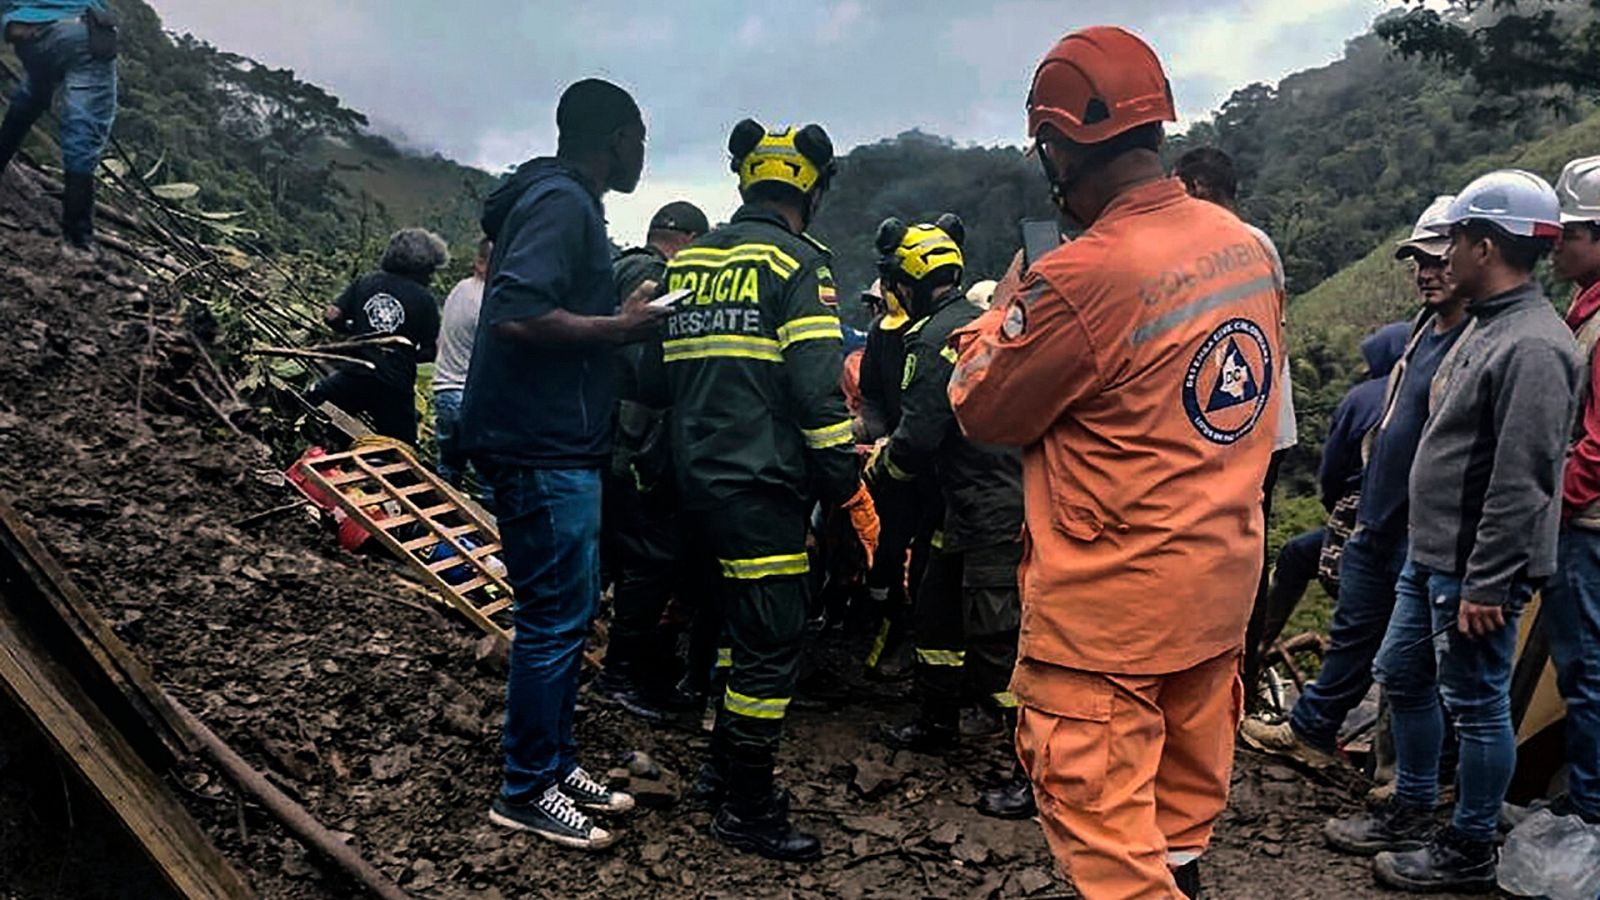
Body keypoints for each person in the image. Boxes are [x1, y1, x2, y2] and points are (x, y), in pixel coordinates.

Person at [949, 27, 1284, 899]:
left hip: (1111, 614)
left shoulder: (1083, 276)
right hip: (1215, 589)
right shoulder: (1241, 245)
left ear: (1057, 148)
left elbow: (985, 407)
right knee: (1178, 810)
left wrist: (1006, 309)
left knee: (1105, 835)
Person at [1328, 170, 1578, 894]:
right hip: (1432, 555)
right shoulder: (1486, 325)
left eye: (1459, 240)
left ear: (1487, 245)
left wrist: (1489, 581)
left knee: (1476, 704)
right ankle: (1410, 807)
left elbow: (1522, 477)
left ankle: (1469, 846)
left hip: (1473, 568)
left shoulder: (1533, 346)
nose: (1449, 255)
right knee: (1405, 675)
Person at [657, 118, 878, 862]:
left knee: (728, 629)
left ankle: (720, 772)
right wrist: (844, 493)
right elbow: (819, 398)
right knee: (770, 644)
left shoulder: (687, 264)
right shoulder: (797, 266)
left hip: (692, 485)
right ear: (810, 188)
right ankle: (748, 806)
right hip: (760, 489)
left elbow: (660, 378)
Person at [461, 78, 666, 851]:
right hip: (538, 444)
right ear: (617, 137)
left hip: (551, 442)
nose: (642, 153)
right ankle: (523, 789)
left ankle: (553, 764)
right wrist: (621, 327)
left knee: (569, 615)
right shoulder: (561, 202)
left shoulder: (563, 200)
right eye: (640, 138)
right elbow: (516, 313)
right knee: (552, 620)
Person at [1242, 200, 1462, 775]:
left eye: (1436, 260)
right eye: (1417, 262)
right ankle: (1326, 734)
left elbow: (1336, 467)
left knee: (1413, 659)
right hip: (1378, 525)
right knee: (1374, 640)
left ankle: (1416, 779)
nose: (1424, 273)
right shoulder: (1424, 335)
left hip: (1422, 528)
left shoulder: (1483, 342)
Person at [866, 215, 1031, 819]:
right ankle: (937, 722)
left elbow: (915, 439)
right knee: (935, 612)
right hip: (962, 506)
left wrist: (876, 475)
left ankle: (1034, 770)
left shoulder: (935, 339)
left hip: (992, 507)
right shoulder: (972, 322)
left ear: (907, 284)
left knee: (996, 644)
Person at [1175, 146, 1301, 708]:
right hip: (1254, 428)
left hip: (1245, 431)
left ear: (1199, 187)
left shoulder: (1236, 245)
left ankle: (1230, 689)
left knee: (1236, 560)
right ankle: (1227, 686)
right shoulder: (1253, 245)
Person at [594, 199, 711, 720]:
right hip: (632, 442)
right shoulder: (656, 279)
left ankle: (585, 651)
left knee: (605, 549)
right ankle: (620, 674)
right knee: (650, 556)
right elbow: (651, 369)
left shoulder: (615, 266)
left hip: (595, 434)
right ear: (687, 239)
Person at [1253, 321, 1411, 666]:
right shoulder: (1428, 389)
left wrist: (1337, 507)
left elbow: (1332, 471)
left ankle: (1259, 644)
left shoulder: (1362, 397)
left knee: (1297, 556)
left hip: (1361, 519)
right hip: (1412, 525)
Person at [1540, 154, 1600, 826]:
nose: (1559, 244)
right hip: (1578, 521)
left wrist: (1553, 506)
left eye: (1573, 232)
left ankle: (1589, 818)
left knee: (1587, 676)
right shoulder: (1584, 310)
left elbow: (1598, 444)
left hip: (1586, 528)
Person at [857, 278, 935, 682]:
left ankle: (916, 643)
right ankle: (888, 626)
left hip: (933, 468)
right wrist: (877, 435)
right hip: (891, 465)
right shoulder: (878, 337)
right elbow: (871, 398)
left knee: (926, 560)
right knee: (885, 553)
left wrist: (901, 441)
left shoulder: (936, 332)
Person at [0, 0, 117, 257]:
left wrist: (13, 23)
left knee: (31, 97)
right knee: (84, 130)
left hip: (28, 37)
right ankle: (78, 238)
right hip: (79, 33)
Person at [309, 228, 447, 444]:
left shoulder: (366, 282)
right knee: (401, 449)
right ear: (423, 267)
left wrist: (353, 335)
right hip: (394, 385)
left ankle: (332, 450)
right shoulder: (425, 300)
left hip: (356, 373)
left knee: (310, 405)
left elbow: (331, 315)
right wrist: (405, 353)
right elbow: (431, 350)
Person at [433, 238, 491, 500]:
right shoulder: (489, 303)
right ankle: (490, 536)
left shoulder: (460, 289)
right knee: (490, 481)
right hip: (472, 399)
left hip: (445, 391)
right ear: (480, 264)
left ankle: (437, 528)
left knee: (448, 468)